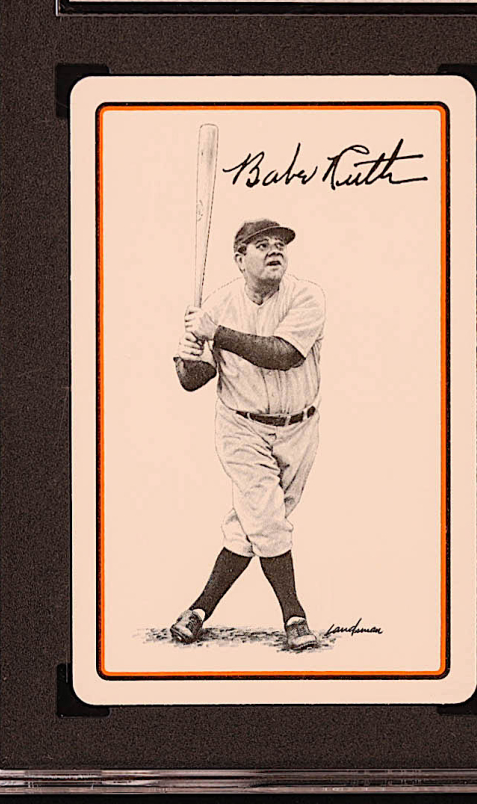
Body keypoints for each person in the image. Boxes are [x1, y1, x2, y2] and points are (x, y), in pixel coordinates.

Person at [171, 218, 326, 651]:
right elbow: (194, 380)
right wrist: (187, 355)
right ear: (240, 260)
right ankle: (294, 616)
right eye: (262, 245)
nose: (275, 250)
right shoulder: (217, 305)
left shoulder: (307, 296)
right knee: (268, 520)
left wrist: (215, 333)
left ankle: (198, 610)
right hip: (241, 427)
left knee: (250, 527)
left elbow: (284, 354)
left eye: (280, 244)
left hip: (300, 428)